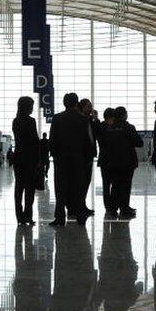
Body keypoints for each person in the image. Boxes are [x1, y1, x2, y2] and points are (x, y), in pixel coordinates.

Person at [49, 93, 92, 226]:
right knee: (78, 187)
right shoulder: (83, 119)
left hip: (61, 159)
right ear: (76, 103)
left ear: (64, 103)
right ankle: (80, 216)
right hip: (78, 159)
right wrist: (86, 157)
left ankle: (60, 217)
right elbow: (88, 141)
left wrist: (55, 155)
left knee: (60, 188)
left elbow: (52, 139)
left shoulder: (57, 118)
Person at [95, 222, 142, 311]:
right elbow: (99, 285)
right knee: (107, 234)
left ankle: (122, 212)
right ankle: (109, 213)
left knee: (124, 233)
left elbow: (140, 285)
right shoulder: (107, 300)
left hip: (125, 262)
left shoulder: (129, 301)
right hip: (107, 262)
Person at [12, 96, 40, 225]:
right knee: (29, 189)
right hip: (30, 159)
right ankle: (28, 216)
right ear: (28, 107)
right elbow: (34, 140)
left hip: (18, 158)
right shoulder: (31, 121)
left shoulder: (15, 121)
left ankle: (19, 217)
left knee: (19, 188)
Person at [77, 98, 99, 216]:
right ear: (83, 107)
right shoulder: (79, 119)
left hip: (89, 154)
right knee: (81, 181)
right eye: (88, 106)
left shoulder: (90, 120)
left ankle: (82, 205)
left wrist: (95, 119)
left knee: (86, 180)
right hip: (81, 154)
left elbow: (96, 134)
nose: (91, 108)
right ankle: (79, 205)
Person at [97, 108, 117, 216]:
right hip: (112, 159)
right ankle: (111, 205)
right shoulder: (113, 127)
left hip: (104, 159)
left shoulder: (101, 126)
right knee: (112, 184)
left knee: (106, 184)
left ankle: (108, 206)